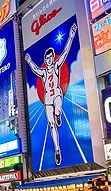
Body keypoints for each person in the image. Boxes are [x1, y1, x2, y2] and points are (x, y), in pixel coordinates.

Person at [25, 23, 78, 165]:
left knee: (58, 109)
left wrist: (71, 36)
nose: (48, 61)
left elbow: (66, 52)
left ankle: (58, 114)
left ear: (53, 57)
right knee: (51, 124)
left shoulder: (56, 66)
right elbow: (36, 69)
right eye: (46, 59)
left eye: (50, 58)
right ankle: (57, 149)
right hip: (48, 98)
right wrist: (29, 62)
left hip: (57, 94)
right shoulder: (43, 72)